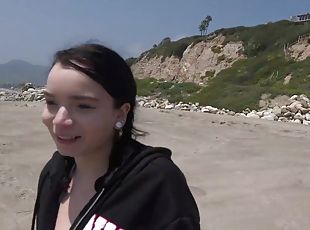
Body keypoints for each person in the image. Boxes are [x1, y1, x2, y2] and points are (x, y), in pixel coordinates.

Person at [31, 43, 200, 230]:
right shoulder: (55, 172)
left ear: (121, 113)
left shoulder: (157, 183)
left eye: (84, 106)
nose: (59, 120)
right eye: (51, 102)